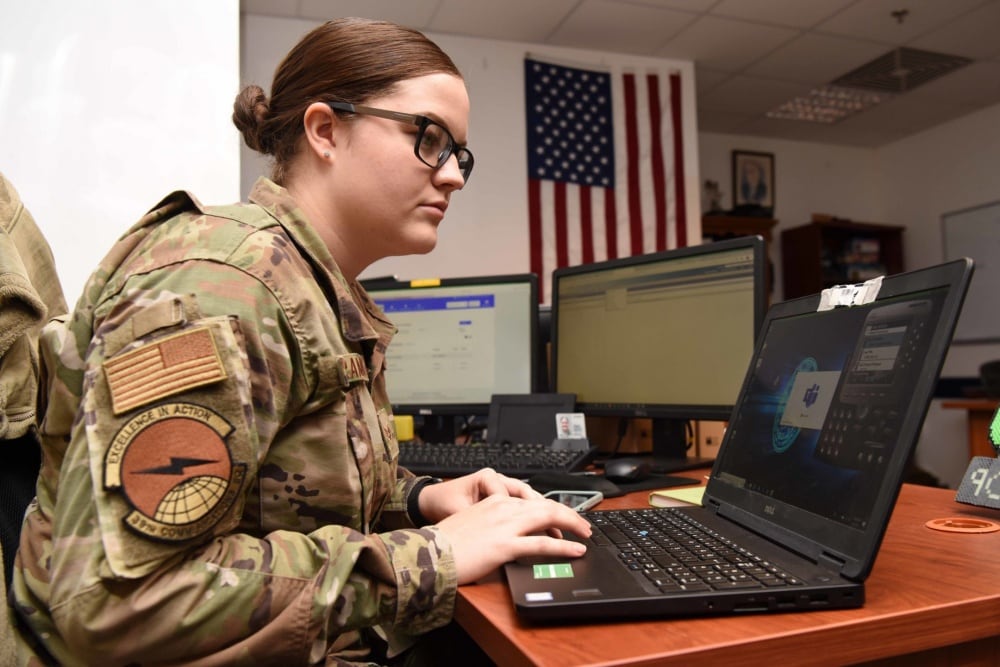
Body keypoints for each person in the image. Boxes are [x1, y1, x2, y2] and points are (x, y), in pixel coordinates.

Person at [11, 17, 591, 666]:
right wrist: (436, 555)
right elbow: (121, 601)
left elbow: (294, 498)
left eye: (460, 153)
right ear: (324, 130)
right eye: (429, 138)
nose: (453, 174)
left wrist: (420, 499)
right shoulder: (223, 286)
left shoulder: (314, 289)